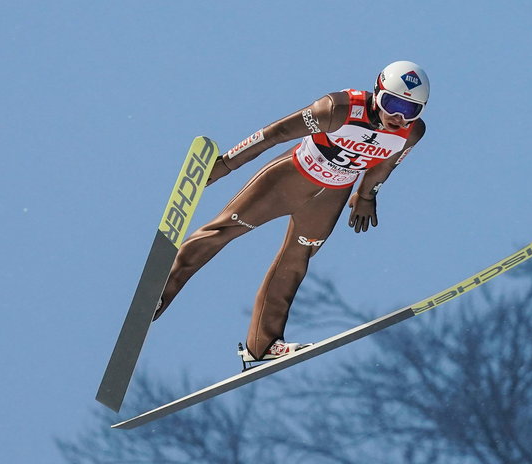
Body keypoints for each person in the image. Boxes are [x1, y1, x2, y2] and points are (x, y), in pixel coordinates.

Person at [153, 61, 430, 363]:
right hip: (289, 179)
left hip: (331, 197)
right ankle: (158, 293)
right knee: (223, 231)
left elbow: (385, 165)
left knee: (296, 262)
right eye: (392, 103)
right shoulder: (338, 109)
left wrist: (366, 195)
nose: (398, 116)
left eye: (410, 109)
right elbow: (277, 133)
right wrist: (226, 164)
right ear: (377, 93)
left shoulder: (411, 132)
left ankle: (263, 344)